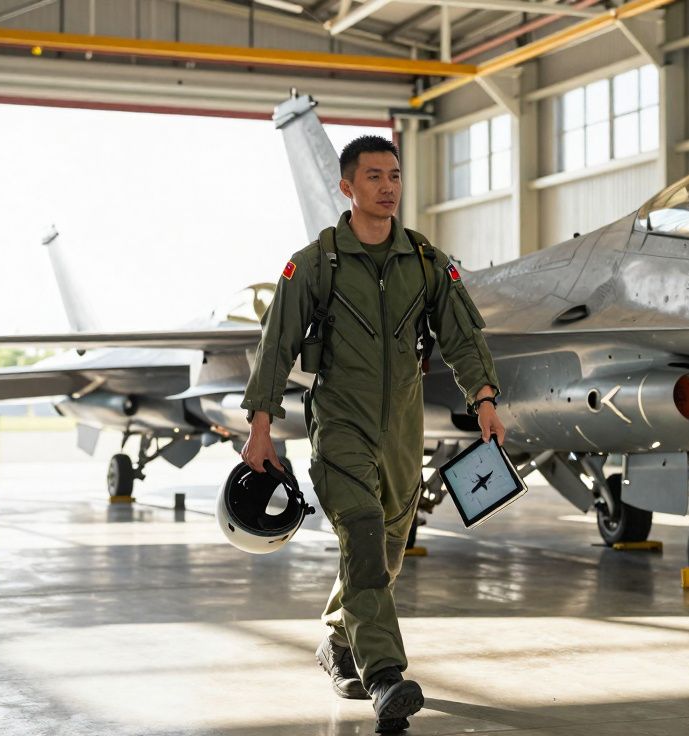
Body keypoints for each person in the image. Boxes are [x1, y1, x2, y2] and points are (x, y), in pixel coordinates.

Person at [239, 135, 504, 733]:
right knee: (360, 532)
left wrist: (484, 398)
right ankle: (385, 676)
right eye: (375, 177)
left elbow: (462, 335)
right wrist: (261, 427)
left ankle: (339, 642)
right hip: (341, 425)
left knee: (383, 555)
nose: (388, 187)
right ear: (348, 187)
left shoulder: (426, 261)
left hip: (404, 432)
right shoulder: (315, 263)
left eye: (395, 176)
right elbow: (275, 345)